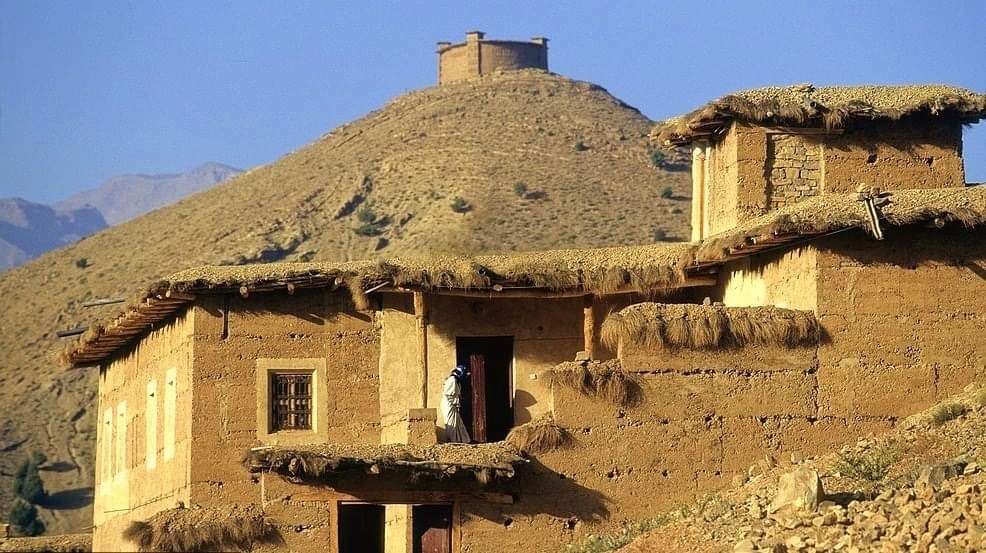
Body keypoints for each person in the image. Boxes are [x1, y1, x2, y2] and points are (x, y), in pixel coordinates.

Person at [440, 365, 471, 443]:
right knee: (451, 424)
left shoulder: (456, 381)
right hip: (449, 405)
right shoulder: (452, 380)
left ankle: (463, 440)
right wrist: (455, 401)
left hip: (453, 405)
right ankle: (454, 441)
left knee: (458, 423)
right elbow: (448, 394)